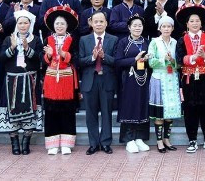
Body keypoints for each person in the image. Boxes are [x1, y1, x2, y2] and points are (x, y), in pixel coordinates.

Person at [0, 10, 43, 155]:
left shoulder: (36, 39)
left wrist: (27, 48)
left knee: (30, 111)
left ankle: (26, 142)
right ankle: (15, 143)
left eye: (26, 23)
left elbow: (39, 60)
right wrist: (12, 47)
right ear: (16, 24)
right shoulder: (8, 39)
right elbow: (1, 59)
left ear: (30, 24)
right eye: (20, 23)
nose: (23, 26)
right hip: (11, 80)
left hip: (30, 80)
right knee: (11, 110)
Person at [175, 5, 205, 153]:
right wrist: (194, 56)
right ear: (187, 23)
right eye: (191, 21)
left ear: (201, 23)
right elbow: (179, 59)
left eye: (197, 21)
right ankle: (192, 140)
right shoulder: (182, 40)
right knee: (190, 109)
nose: (194, 23)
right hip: (189, 79)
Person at [78, 10, 118, 155]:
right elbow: (80, 61)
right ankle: (93, 143)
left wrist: (104, 56)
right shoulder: (84, 40)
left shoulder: (113, 39)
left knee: (107, 113)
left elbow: (116, 61)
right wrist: (93, 58)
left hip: (106, 80)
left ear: (106, 23)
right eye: (96, 21)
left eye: (102, 21)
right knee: (91, 114)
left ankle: (106, 143)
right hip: (90, 81)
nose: (99, 24)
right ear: (91, 23)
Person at [42, 6, 80, 155]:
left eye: (62, 24)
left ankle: (66, 144)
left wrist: (65, 54)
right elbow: (42, 60)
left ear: (67, 26)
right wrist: (49, 55)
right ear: (53, 25)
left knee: (67, 112)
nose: (59, 26)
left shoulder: (73, 40)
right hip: (51, 78)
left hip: (67, 79)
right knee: (51, 112)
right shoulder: (47, 39)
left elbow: (76, 58)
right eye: (57, 23)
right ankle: (52, 144)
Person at [114, 16, 152, 154]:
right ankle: (129, 139)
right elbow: (117, 62)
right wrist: (134, 59)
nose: (137, 28)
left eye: (140, 25)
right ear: (129, 27)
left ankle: (140, 138)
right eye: (134, 25)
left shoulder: (147, 42)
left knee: (143, 106)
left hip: (144, 78)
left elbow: (151, 61)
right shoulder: (123, 42)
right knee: (129, 107)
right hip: (128, 79)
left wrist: (147, 59)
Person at [148, 16, 183, 153]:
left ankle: (167, 139)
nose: (166, 29)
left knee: (170, 112)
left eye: (169, 26)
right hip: (158, 78)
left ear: (173, 28)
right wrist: (164, 59)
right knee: (159, 113)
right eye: (164, 26)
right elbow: (150, 62)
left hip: (172, 77)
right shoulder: (154, 42)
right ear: (159, 28)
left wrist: (173, 60)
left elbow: (179, 63)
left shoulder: (176, 42)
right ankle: (159, 141)